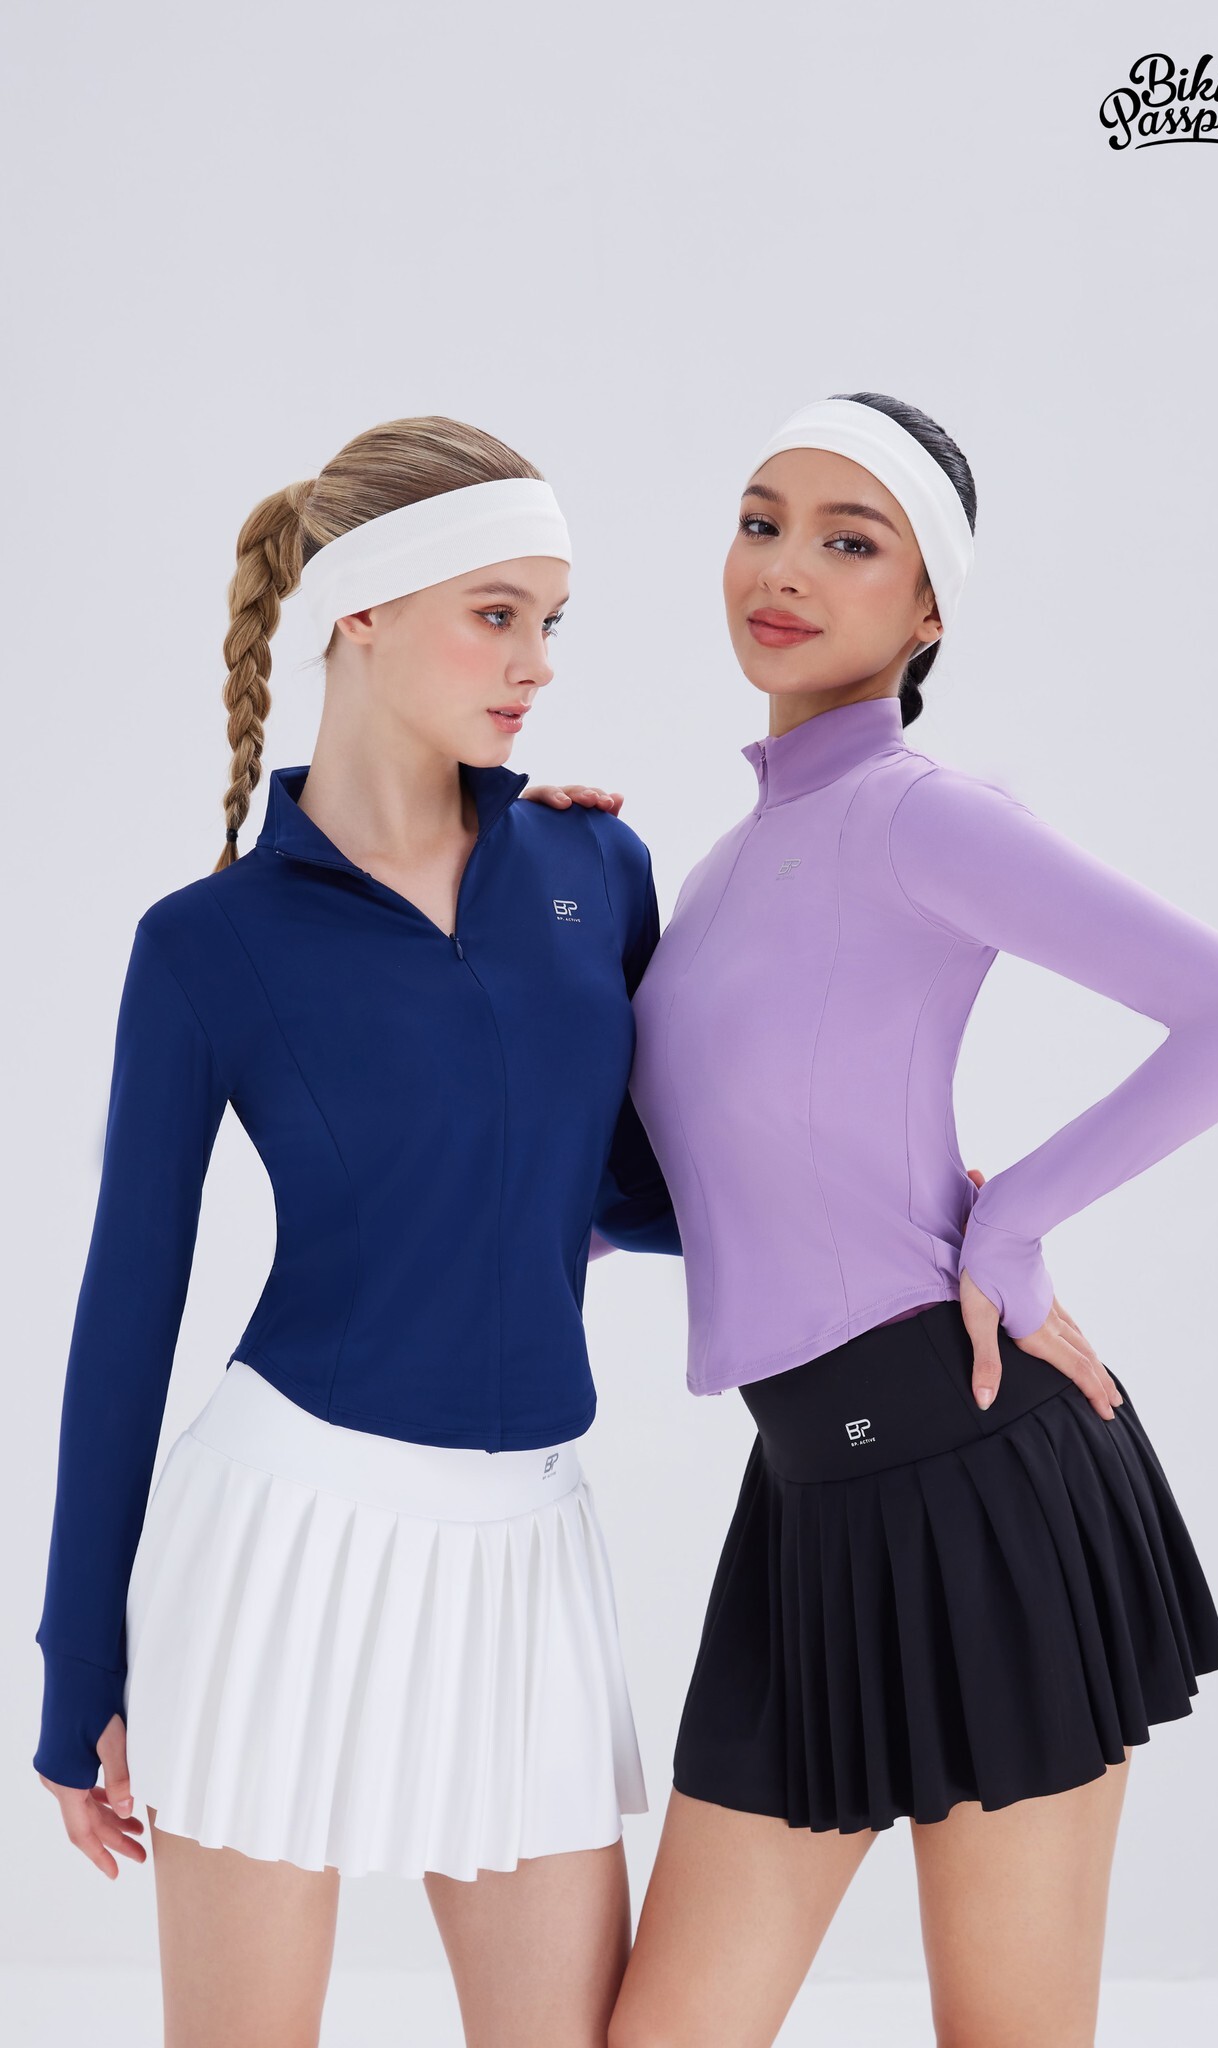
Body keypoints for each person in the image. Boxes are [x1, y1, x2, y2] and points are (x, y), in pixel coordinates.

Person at [525, 391, 1218, 2048]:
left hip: (974, 1479)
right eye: (759, 522)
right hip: (803, 1493)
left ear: (927, 608)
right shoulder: (723, 863)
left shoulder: (917, 811)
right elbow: (715, 1189)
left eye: (847, 541)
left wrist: (1008, 1228)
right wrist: (546, 894)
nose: (782, 569)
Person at [32, 413, 679, 2048]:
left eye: (552, 620)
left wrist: (935, 1216)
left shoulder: (595, 866)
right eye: (496, 614)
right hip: (281, 1542)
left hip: (528, 1555)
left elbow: (638, 1188)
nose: (536, 663)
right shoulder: (209, 942)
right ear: (362, 611)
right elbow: (126, 1308)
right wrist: (75, 1670)